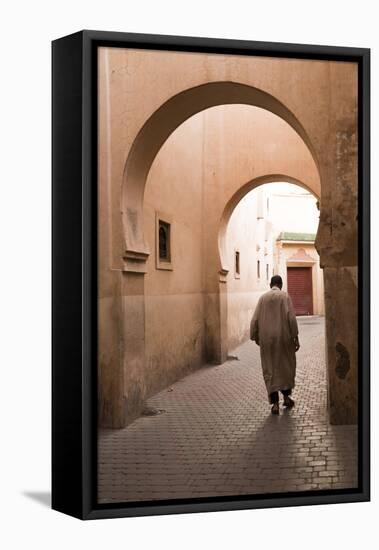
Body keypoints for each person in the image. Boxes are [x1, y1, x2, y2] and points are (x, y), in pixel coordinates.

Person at [250, 275, 300, 415]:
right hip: (283, 339)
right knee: (285, 368)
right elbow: (291, 318)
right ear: (281, 284)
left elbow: (254, 320)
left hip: (266, 341)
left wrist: (255, 337)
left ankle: (275, 405)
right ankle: (286, 397)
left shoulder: (262, 298)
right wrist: (295, 337)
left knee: (270, 370)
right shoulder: (284, 297)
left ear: (270, 284)